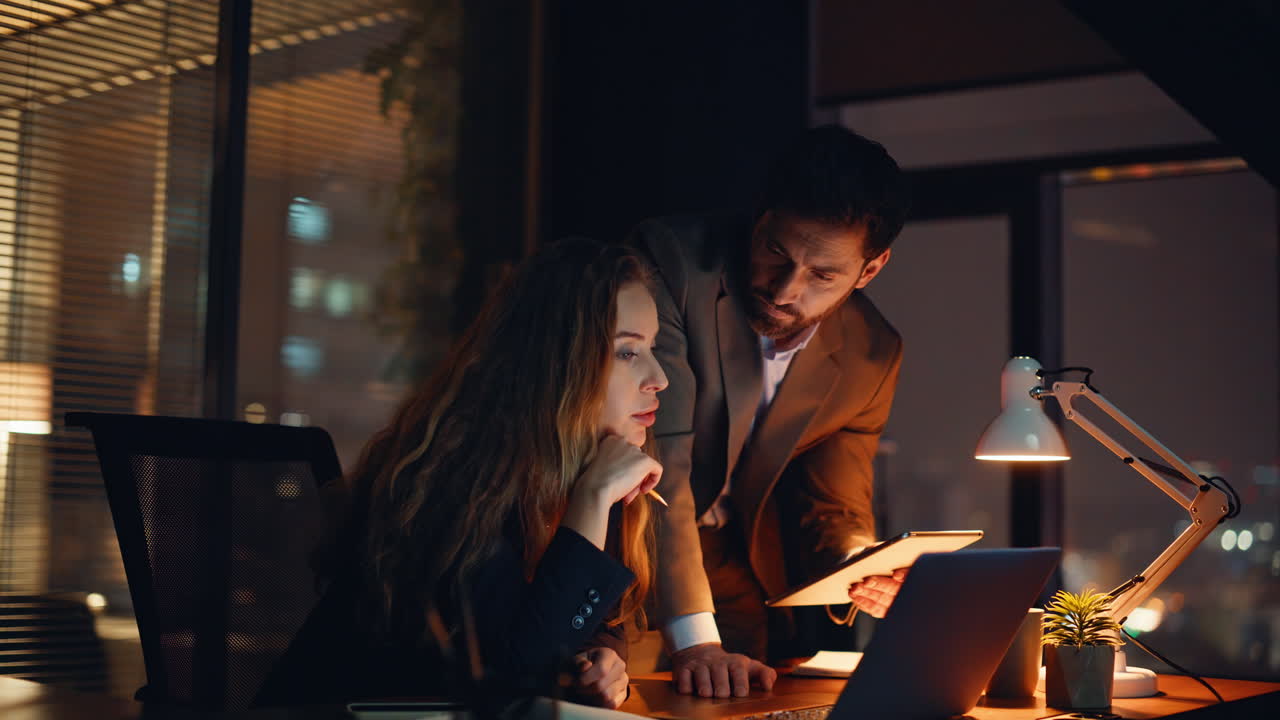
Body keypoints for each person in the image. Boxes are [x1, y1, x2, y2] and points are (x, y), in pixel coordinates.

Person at [256, 238, 669, 709]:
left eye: (653, 348)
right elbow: (506, 681)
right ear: (558, 364)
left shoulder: (587, 463)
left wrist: (601, 658)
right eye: (628, 353)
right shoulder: (463, 482)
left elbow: (588, 621)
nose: (660, 376)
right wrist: (593, 499)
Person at [630, 125, 910, 698]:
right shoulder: (674, 264)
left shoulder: (872, 353)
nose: (784, 290)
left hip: (740, 567)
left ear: (871, 269)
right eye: (775, 252)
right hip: (629, 542)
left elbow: (835, 506)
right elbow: (663, 464)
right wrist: (695, 639)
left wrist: (862, 564)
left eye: (823, 276)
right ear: (759, 217)